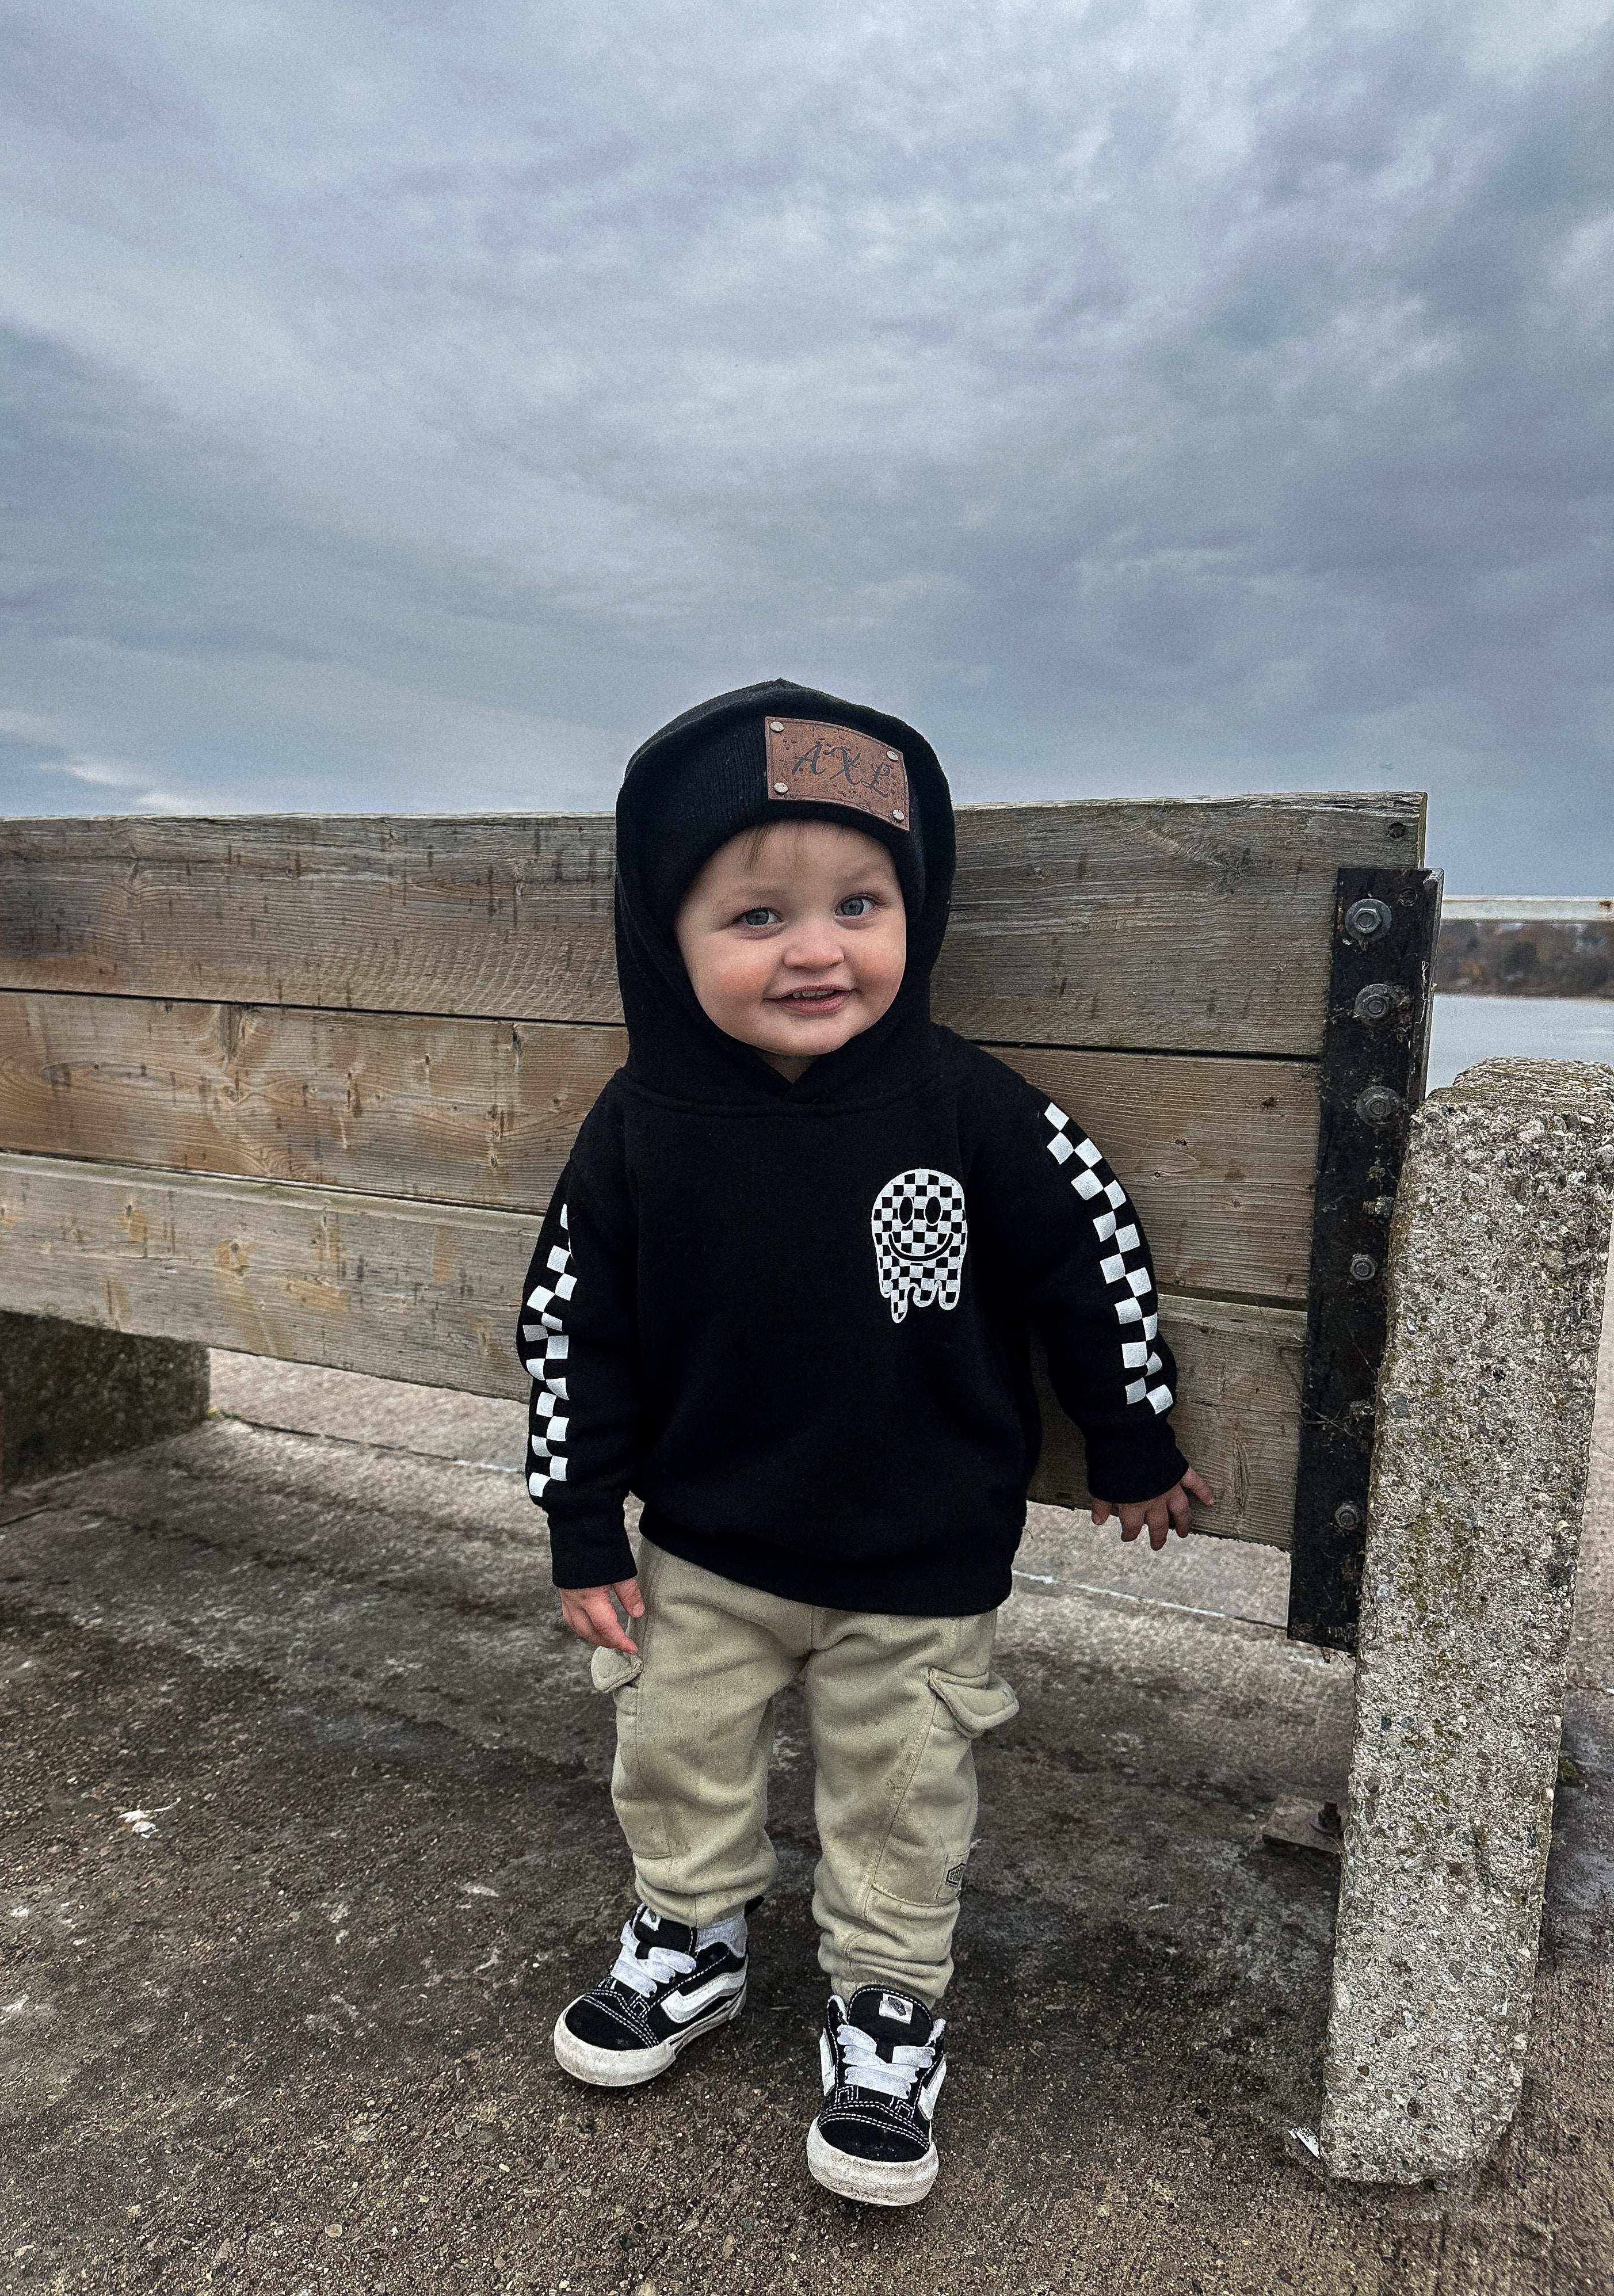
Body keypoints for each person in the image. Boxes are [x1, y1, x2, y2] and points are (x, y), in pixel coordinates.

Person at [516, 680, 1212, 2207]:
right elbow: (572, 1326)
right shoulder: (639, 1126)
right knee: (674, 1749)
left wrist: (1132, 1437)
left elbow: (1091, 1256)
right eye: (756, 917)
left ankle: (888, 2005)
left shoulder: (970, 1110)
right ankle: (691, 1931)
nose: (818, 948)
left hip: (921, 1561)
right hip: (703, 1550)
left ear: (917, 910)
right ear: (666, 937)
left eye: (860, 903)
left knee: (902, 1791)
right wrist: (579, 1522)